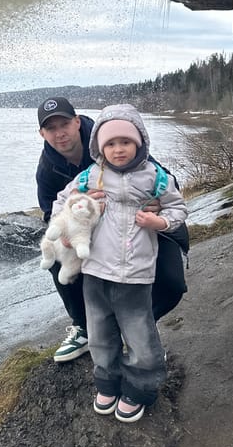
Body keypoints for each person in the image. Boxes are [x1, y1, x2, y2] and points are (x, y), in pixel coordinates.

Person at [50, 104, 188, 422]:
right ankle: (107, 381)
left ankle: (141, 387)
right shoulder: (91, 176)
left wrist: (161, 222)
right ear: (99, 147)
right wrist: (69, 222)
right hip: (96, 270)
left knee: (140, 332)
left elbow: (178, 208)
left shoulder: (155, 177)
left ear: (140, 142)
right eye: (110, 144)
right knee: (99, 332)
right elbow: (60, 202)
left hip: (137, 271)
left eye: (125, 141)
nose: (118, 149)